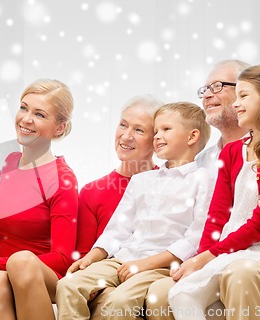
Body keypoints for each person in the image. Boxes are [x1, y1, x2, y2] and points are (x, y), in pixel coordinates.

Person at [168, 63, 260, 320]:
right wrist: (202, 257)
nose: (236, 103)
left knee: (240, 273)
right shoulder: (231, 153)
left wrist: (207, 257)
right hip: (227, 248)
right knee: (181, 294)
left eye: (244, 96)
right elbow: (217, 215)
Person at [56, 102, 213, 320]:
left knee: (118, 302)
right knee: (68, 285)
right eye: (156, 131)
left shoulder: (203, 179)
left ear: (192, 136)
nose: (157, 136)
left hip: (160, 266)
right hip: (123, 259)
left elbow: (195, 237)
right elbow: (118, 228)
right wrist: (92, 256)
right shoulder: (141, 180)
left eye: (166, 129)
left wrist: (143, 264)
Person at [0, 78, 79, 320]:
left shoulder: (62, 179)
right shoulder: (8, 162)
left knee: (19, 263)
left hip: (40, 276)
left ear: (59, 128)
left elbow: (61, 259)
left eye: (39, 114)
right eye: (24, 107)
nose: (26, 119)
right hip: (2, 274)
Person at [75, 96, 162, 319]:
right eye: (123, 124)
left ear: (157, 139)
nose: (126, 135)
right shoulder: (92, 191)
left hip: (153, 282)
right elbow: (85, 256)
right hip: (106, 286)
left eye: (139, 130)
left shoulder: (172, 185)